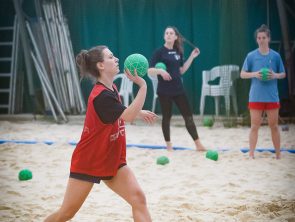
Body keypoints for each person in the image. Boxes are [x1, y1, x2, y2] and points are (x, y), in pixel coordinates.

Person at [44, 45, 156, 222]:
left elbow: (119, 112)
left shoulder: (111, 90)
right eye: (111, 57)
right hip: (90, 161)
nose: (116, 59)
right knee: (65, 214)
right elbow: (126, 116)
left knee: (138, 199)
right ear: (101, 66)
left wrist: (138, 112)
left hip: (112, 159)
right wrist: (142, 86)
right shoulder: (101, 95)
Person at [148, 26, 206, 151]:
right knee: (166, 118)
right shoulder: (159, 52)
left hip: (178, 89)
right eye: (167, 33)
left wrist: (192, 57)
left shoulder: (178, 52)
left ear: (175, 37)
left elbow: (181, 70)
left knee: (188, 117)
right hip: (164, 91)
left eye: (171, 33)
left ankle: (198, 144)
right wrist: (160, 71)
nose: (168, 35)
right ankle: (169, 146)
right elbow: (150, 70)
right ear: (164, 36)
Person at [240, 24, 286, 159]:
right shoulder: (251, 56)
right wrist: (255, 74)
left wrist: (275, 75)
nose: (261, 40)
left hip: (272, 97)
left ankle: (278, 155)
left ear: (269, 39)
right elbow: (242, 74)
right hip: (256, 96)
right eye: (259, 38)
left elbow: (283, 74)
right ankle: (251, 154)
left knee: (274, 126)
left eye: (263, 37)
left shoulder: (276, 56)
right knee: (254, 126)